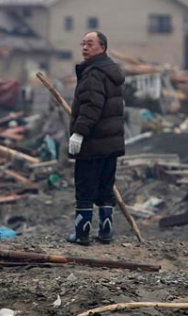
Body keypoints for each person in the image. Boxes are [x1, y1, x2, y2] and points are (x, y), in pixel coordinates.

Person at [66, 31, 125, 246]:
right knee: (105, 187)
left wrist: (79, 133)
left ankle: (82, 234)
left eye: (90, 44)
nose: (84, 47)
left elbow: (92, 106)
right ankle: (105, 232)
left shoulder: (94, 73)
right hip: (111, 142)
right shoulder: (111, 72)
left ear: (102, 48)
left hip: (93, 142)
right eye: (83, 43)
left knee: (85, 186)